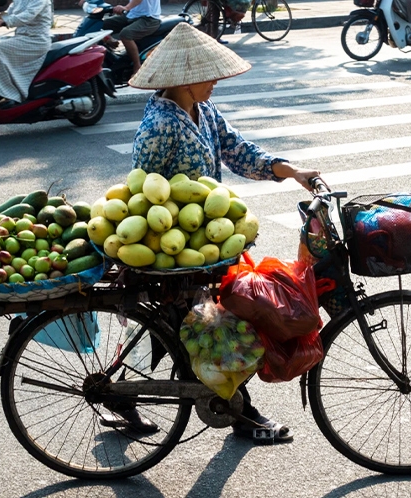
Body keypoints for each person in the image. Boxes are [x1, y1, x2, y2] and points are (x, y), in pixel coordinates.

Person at [123, 23, 321, 444]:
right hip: (176, 246)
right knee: (216, 327)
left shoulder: (204, 110)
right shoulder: (161, 123)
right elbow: (142, 191)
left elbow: (239, 151)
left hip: (206, 243)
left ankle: (133, 394)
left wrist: (292, 172)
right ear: (186, 78)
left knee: (185, 326)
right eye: (209, 75)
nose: (215, 81)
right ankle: (242, 414)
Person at [0, 0, 53, 105]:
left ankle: (7, 93)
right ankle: (0, 90)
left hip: (36, 41)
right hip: (22, 37)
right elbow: (10, 11)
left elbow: (27, 15)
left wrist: (5, 22)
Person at [101, 0, 162, 76]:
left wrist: (126, 7)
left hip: (149, 18)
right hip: (132, 15)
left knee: (125, 34)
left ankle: (137, 67)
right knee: (101, 24)